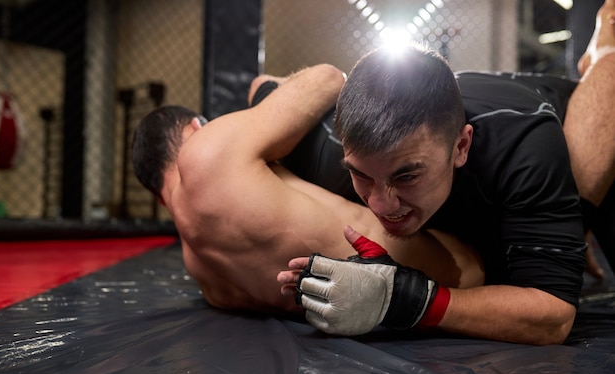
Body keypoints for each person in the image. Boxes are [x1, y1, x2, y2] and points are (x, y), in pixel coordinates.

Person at [279, 1, 615, 345]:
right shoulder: (327, 145)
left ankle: (605, 51)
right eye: (362, 176)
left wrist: (411, 301)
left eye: (407, 176)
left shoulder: (523, 147)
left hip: (570, 125)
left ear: (461, 147)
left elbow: (553, 317)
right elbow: (262, 84)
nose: (379, 205)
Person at [131, 64, 485, 317]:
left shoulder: (205, 278)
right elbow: (329, 79)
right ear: (198, 127)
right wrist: (269, 86)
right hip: (464, 273)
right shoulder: (206, 150)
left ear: (159, 197)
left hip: (395, 311)